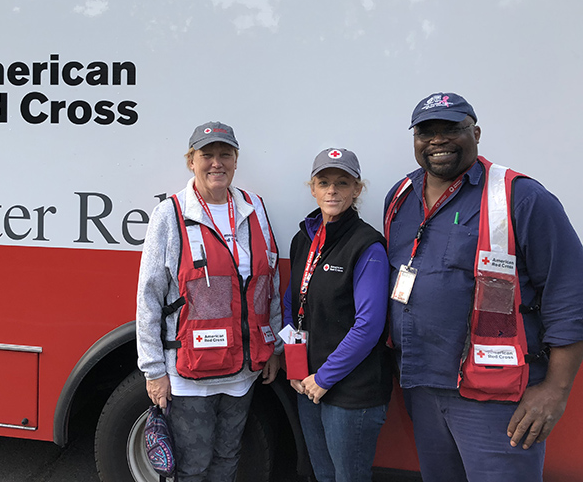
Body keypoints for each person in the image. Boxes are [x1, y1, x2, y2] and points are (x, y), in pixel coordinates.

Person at [384, 92, 583, 482]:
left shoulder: (521, 197)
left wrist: (556, 391)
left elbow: (569, 294)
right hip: (421, 386)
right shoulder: (401, 196)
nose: (438, 140)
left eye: (452, 129)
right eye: (427, 131)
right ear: (414, 140)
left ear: (475, 132)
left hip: (496, 398)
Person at [136, 121, 282, 482]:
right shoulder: (170, 215)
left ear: (235, 160)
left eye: (225, 155)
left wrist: (274, 346)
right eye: (207, 155)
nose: (216, 163)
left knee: (228, 458)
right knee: (193, 467)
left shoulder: (254, 208)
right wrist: (154, 370)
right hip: (191, 374)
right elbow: (149, 296)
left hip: (242, 370)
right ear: (191, 161)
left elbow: (269, 283)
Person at [283, 148, 392, 482]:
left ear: (356, 190)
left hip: (350, 392)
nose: (332, 190)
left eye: (342, 183)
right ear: (312, 188)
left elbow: (369, 325)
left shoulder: (367, 245)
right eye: (324, 182)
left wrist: (324, 377)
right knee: (323, 475)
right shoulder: (304, 238)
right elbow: (292, 304)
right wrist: (297, 367)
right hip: (308, 384)